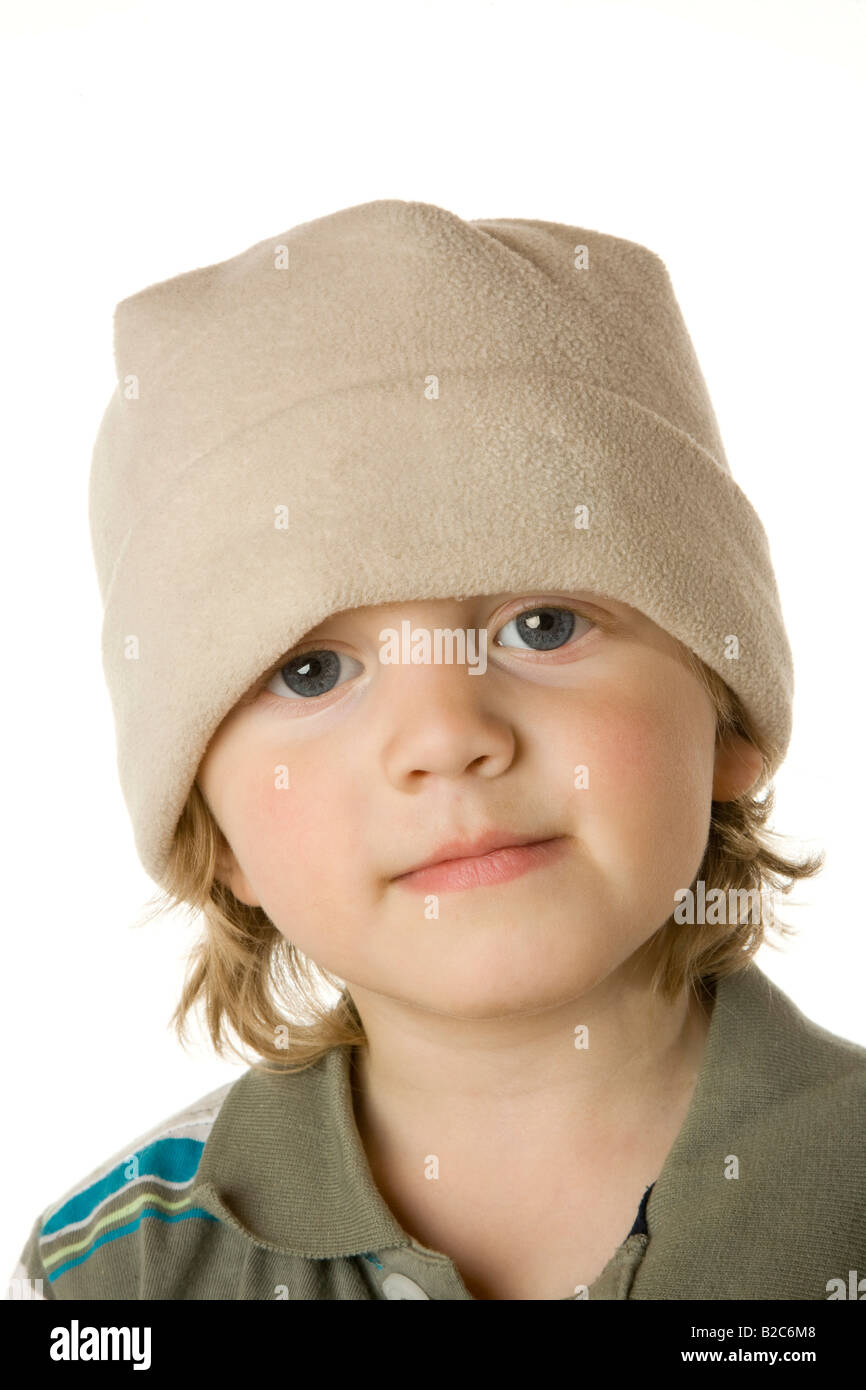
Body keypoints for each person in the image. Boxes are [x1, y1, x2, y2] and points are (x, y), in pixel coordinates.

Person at [9, 199, 865, 1301]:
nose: (447, 739)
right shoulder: (113, 1272)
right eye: (311, 672)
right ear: (212, 834)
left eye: (541, 626)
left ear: (728, 718)